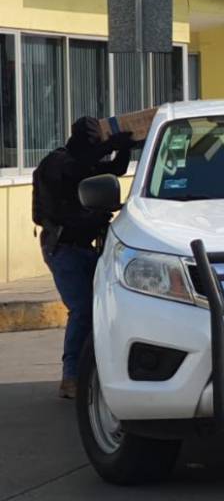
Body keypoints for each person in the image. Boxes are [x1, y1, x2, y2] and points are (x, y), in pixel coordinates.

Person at [32, 117, 133, 398]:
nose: (97, 150)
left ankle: (93, 371)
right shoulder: (56, 162)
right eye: (94, 144)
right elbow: (74, 169)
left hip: (85, 248)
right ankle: (71, 376)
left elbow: (115, 169)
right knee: (83, 310)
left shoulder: (84, 163)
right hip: (63, 248)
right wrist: (110, 145)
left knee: (99, 311)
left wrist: (125, 147)